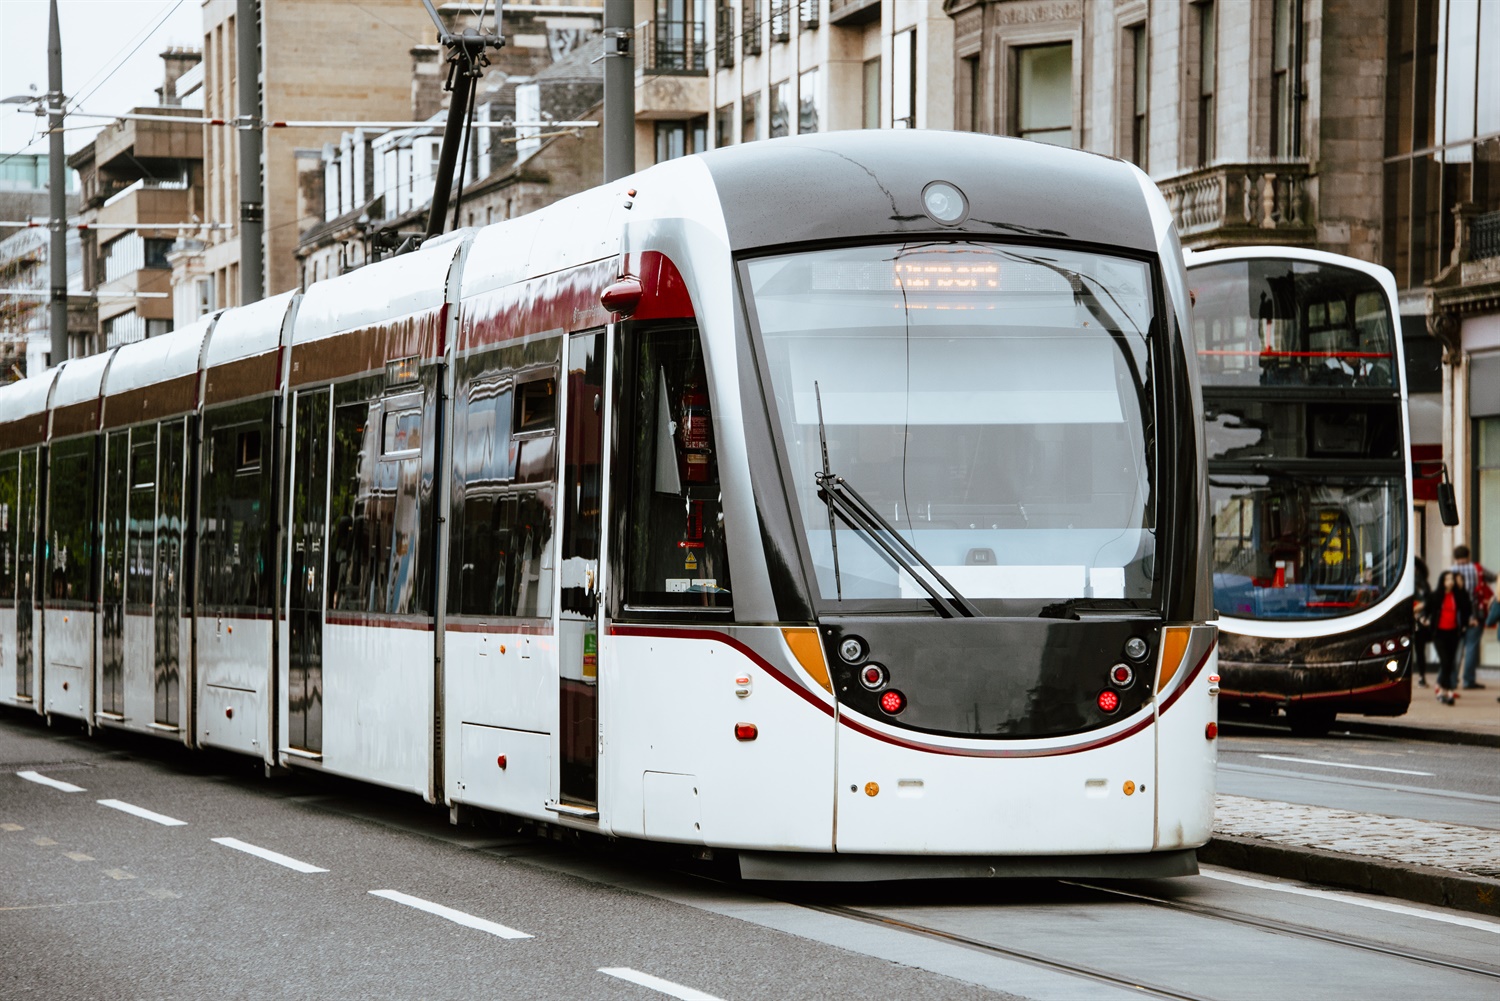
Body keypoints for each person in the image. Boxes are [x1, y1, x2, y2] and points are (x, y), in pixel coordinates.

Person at [1445, 544, 1494, 690]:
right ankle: (1468, 681)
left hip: (1455, 616)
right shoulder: (1477, 569)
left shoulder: (1451, 572)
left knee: (1455, 649)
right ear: (1468, 556)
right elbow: (1494, 577)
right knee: (1472, 647)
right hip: (1475, 615)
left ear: (1455, 557)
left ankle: (1452, 681)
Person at [1424, 570, 1471, 705]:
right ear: (1442, 582)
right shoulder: (1436, 596)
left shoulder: (1458, 596)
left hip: (1454, 633)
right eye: (1447, 579)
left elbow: (1467, 610)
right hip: (1439, 634)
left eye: (1451, 579)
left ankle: (1443, 690)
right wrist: (1425, 620)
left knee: (1450, 663)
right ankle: (1446, 689)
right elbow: (1427, 610)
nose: (1450, 582)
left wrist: (1464, 625)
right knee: (1445, 662)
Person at [1412, 557, 1432, 688]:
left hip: (1416, 619)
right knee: (1419, 650)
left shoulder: (1418, 583)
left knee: (1418, 650)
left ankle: (1421, 676)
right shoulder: (1423, 582)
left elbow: (1427, 602)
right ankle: (1421, 676)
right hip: (1419, 619)